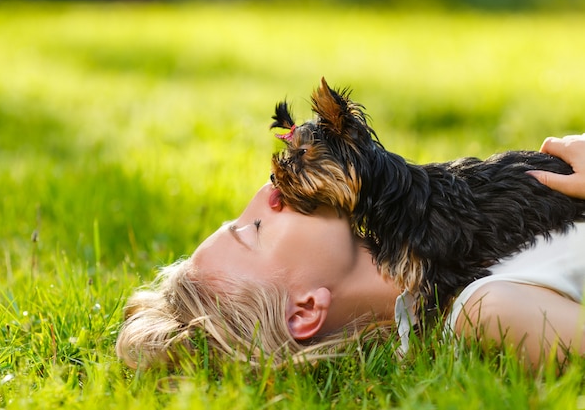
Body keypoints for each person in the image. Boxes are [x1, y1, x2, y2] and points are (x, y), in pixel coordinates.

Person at [116, 134, 585, 370]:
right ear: (305, 309)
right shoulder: (486, 312)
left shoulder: (460, 217)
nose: (268, 192)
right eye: (253, 229)